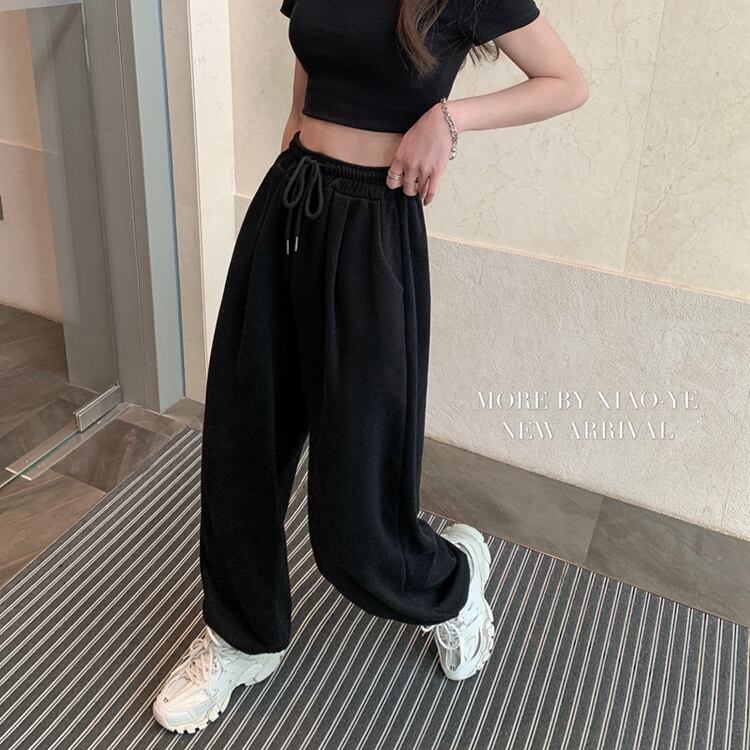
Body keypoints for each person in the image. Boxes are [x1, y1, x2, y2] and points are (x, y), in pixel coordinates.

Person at [152, 0, 588, 734]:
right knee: (242, 438)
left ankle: (452, 584)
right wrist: (295, 128)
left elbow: (566, 82)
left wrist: (449, 120)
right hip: (290, 205)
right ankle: (241, 636)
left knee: (355, 515)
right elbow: (312, 54)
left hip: (374, 228)